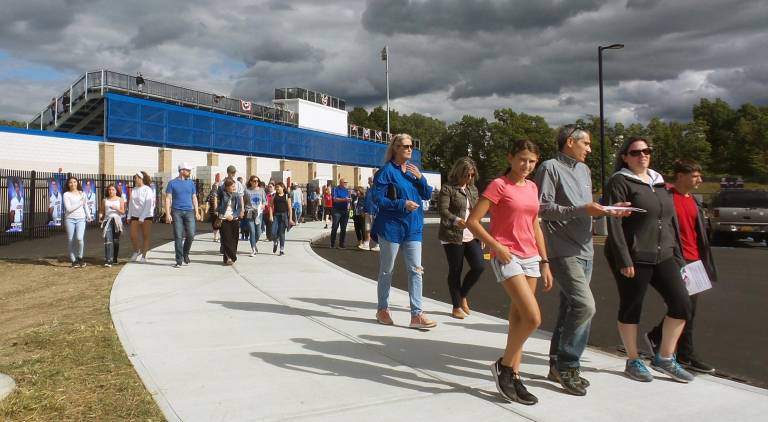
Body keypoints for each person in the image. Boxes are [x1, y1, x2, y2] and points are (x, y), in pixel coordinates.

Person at [533, 125, 629, 396]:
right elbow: (541, 208)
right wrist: (581, 210)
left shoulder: (584, 171)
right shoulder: (549, 167)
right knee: (585, 306)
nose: (589, 149)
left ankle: (555, 364)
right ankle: (568, 365)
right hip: (562, 249)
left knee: (570, 307)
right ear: (570, 142)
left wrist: (609, 210)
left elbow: (587, 210)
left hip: (586, 249)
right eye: (585, 144)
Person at [466, 139, 553, 405]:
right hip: (506, 255)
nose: (526, 165)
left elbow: (535, 225)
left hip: (531, 257)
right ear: (510, 158)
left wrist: (545, 262)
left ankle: (514, 375)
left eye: (532, 161)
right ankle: (504, 366)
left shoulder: (533, 186)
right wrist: (496, 247)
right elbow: (473, 221)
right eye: (522, 159)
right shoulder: (498, 185)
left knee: (518, 320)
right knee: (533, 318)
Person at [605, 137, 694, 383]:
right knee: (632, 306)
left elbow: (670, 220)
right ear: (625, 156)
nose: (642, 155)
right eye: (636, 152)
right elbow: (614, 221)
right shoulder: (620, 181)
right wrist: (624, 258)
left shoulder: (660, 182)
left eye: (646, 151)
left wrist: (678, 255)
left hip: (664, 254)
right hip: (634, 255)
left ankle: (664, 357)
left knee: (682, 304)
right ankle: (633, 360)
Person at [646, 160, 718, 374]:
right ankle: (683, 353)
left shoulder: (694, 201)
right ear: (680, 176)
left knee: (688, 309)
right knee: (684, 306)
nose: (699, 180)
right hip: (676, 259)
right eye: (695, 176)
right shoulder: (667, 198)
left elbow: (698, 233)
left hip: (695, 261)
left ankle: (660, 338)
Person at [371, 133, 435, 329]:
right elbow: (377, 200)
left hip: (413, 228)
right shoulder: (386, 172)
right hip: (391, 228)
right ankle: (383, 308)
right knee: (386, 270)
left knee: (417, 270)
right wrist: (402, 204)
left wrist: (421, 178)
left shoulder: (414, 171)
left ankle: (417, 315)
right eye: (405, 146)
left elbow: (427, 194)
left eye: (411, 146)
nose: (409, 149)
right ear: (395, 149)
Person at [438, 157, 485, 320]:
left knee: (479, 266)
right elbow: (443, 210)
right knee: (455, 271)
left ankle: (462, 295)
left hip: (471, 234)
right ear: (458, 173)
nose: (470, 178)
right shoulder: (448, 188)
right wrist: (456, 220)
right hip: (452, 235)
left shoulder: (473, 189)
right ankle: (456, 306)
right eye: (467, 175)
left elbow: (476, 213)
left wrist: (480, 234)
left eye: (472, 175)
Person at [165, 162, 202, 268]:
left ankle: (185, 253)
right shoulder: (172, 183)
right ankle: (179, 260)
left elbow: (194, 197)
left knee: (191, 234)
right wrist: (168, 214)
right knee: (178, 236)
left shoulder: (191, 183)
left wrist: (197, 211)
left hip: (189, 211)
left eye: (190, 170)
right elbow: (168, 198)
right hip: (176, 212)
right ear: (181, 171)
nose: (190, 172)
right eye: (188, 170)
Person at [63, 176, 94, 268]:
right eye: (70, 182)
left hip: (81, 218)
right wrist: (80, 203)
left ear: (77, 183)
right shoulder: (66, 194)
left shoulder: (82, 193)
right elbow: (69, 209)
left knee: (80, 238)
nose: (73, 184)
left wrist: (89, 216)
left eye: (74, 182)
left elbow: (86, 206)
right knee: (71, 240)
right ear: (68, 184)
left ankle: (80, 257)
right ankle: (73, 260)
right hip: (70, 219)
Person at [127, 171, 156, 263]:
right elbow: (131, 203)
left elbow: (149, 204)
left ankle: (144, 256)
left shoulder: (147, 189)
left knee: (145, 236)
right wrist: (129, 215)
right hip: (135, 215)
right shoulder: (134, 189)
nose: (135, 179)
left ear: (140, 178)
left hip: (146, 216)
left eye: (136, 178)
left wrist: (142, 217)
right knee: (132, 235)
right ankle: (136, 251)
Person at [214, 178, 243, 265]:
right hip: (223, 219)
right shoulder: (223, 194)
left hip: (234, 219)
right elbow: (218, 190)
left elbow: (238, 209)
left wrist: (233, 216)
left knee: (234, 239)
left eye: (234, 186)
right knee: (226, 239)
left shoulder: (237, 195)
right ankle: (232, 256)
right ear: (227, 187)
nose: (234, 187)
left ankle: (228, 258)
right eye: (232, 186)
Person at [100, 184, 125, 267]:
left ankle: (115, 258)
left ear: (116, 191)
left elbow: (123, 211)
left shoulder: (120, 199)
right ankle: (108, 260)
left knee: (115, 240)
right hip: (108, 221)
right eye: (109, 189)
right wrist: (100, 216)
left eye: (113, 189)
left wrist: (116, 208)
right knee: (108, 239)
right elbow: (102, 211)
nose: (111, 191)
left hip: (117, 221)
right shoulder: (105, 200)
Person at [269, 182, 294, 255]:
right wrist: (270, 215)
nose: (277, 188)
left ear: (282, 187)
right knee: (273, 232)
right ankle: (275, 241)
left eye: (278, 187)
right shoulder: (274, 196)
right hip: (276, 216)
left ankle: (282, 250)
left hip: (284, 216)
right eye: (276, 187)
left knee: (281, 233)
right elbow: (270, 206)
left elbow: (290, 208)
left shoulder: (287, 196)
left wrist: (290, 219)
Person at [244, 176, 266, 256]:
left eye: (257, 181)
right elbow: (244, 202)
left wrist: (263, 206)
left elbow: (264, 201)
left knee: (258, 232)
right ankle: (253, 248)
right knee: (252, 231)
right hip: (250, 212)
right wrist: (245, 209)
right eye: (254, 181)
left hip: (259, 214)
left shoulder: (261, 190)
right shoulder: (247, 191)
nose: (256, 182)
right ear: (250, 182)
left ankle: (254, 243)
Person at [330, 178, 352, 248]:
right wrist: (345, 199)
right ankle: (332, 243)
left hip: (345, 211)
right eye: (344, 182)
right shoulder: (335, 189)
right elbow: (335, 199)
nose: (346, 184)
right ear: (340, 182)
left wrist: (349, 201)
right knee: (335, 227)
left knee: (343, 228)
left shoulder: (347, 191)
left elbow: (349, 199)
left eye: (346, 183)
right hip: (336, 211)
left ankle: (341, 244)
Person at [363, 176, 379, 251]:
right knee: (367, 229)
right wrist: (364, 211)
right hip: (368, 212)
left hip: (374, 212)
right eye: (369, 181)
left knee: (376, 229)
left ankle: (378, 244)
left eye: (371, 181)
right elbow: (366, 201)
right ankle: (367, 244)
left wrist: (377, 210)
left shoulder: (378, 190)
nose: (369, 182)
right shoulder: (368, 190)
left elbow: (379, 201)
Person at [207, 176, 221, 242]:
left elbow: (207, 202)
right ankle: (216, 237)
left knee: (214, 224)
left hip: (212, 211)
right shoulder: (217, 194)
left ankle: (215, 237)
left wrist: (206, 210)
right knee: (218, 224)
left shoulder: (210, 194)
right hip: (216, 211)